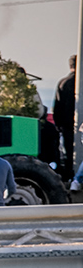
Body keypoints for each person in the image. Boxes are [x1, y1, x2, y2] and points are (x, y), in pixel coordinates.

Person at [55, 55, 77, 190]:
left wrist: (58, 125)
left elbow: (57, 107)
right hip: (78, 124)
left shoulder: (63, 83)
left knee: (68, 153)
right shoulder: (78, 82)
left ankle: (69, 175)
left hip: (67, 126)